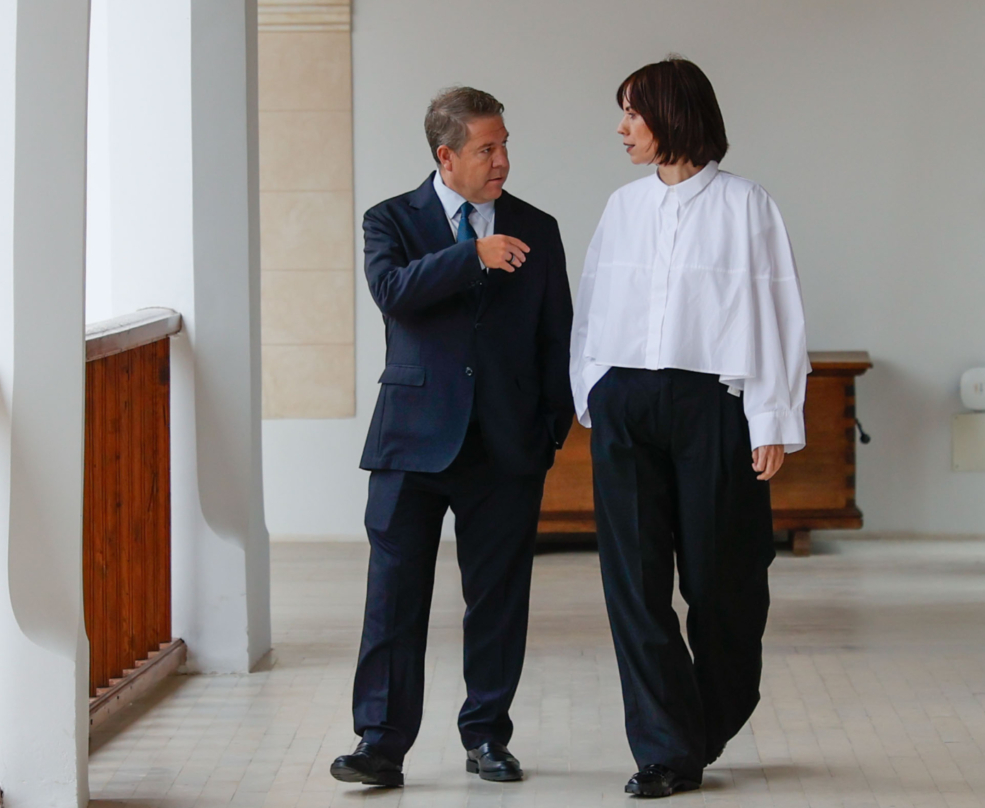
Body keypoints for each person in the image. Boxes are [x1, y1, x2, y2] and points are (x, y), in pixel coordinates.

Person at [571, 57, 809, 798]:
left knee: (725, 581)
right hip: (626, 405)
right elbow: (593, 303)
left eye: (633, 114)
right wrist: (594, 392)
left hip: (715, 407)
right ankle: (666, 752)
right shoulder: (621, 206)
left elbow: (778, 313)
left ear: (673, 115)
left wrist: (770, 414)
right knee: (634, 586)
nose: (622, 128)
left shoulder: (747, 206)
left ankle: (711, 716)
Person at [330, 87, 574, 788]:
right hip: (410, 442)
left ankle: (488, 737)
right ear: (447, 155)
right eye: (486, 148)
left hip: (506, 447)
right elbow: (393, 292)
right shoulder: (391, 220)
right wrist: (474, 256)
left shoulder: (540, 227)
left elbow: (557, 335)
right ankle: (380, 743)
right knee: (393, 596)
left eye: (505, 144)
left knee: (498, 601)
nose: (503, 160)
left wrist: (548, 432)